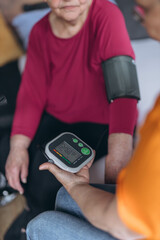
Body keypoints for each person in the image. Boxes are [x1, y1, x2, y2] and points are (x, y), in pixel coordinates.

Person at [0, 0, 139, 238]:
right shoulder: (40, 31)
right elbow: (31, 95)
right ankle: (26, 205)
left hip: (100, 122)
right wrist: (18, 146)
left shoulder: (106, 14)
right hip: (57, 116)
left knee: (48, 181)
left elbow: (123, 93)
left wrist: (114, 175)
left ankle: (33, 215)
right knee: (6, 149)